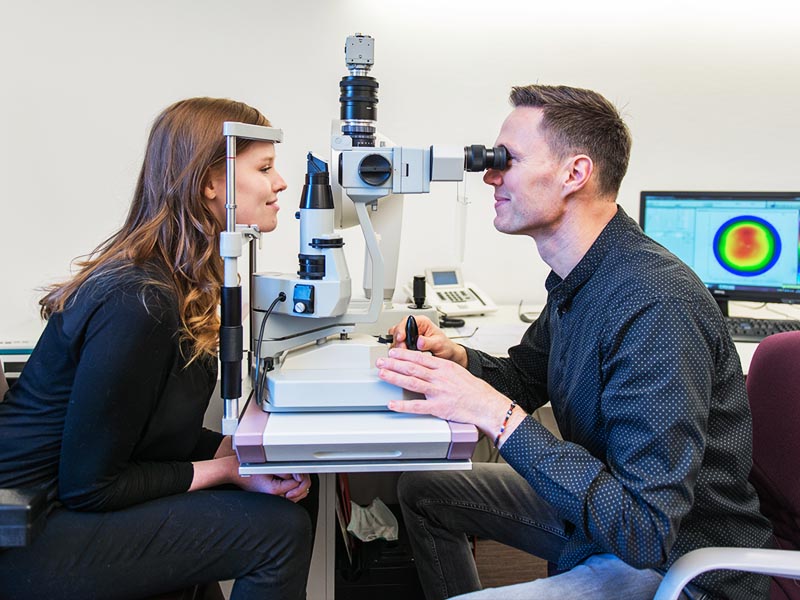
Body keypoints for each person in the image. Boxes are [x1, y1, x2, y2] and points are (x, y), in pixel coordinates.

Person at [377, 85, 773, 600]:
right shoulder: (582, 275)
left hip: (673, 562)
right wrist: (461, 360)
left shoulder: (654, 305)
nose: (490, 176)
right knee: (423, 488)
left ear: (575, 174)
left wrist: (496, 414)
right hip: (606, 512)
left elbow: (646, 530)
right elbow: (523, 377)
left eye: (507, 160)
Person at [0, 97, 317, 600]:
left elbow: (149, 437)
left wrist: (240, 459)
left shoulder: (177, 283)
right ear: (210, 183)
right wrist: (228, 469)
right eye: (265, 167)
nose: (280, 183)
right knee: (279, 533)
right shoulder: (139, 301)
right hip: (33, 528)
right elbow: (91, 485)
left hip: (69, 504)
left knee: (293, 494)